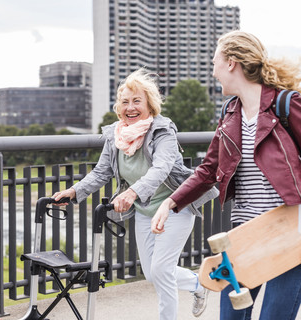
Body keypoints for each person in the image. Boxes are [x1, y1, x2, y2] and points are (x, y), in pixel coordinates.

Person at [152, 30, 301, 320]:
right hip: (244, 236)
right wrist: (169, 203)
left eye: (214, 62)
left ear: (231, 63)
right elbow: (208, 170)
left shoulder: (285, 104)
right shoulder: (230, 112)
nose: (213, 71)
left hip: (288, 234)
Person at [53, 67, 218, 320]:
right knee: (152, 273)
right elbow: (101, 172)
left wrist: (131, 192)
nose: (130, 107)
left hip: (176, 207)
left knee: (161, 271)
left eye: (137, 101)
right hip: (144, 211)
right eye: (125, 102)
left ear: (149, 104)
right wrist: (75, 191)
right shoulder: (115, 136)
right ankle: (197, 284)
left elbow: (161, 169)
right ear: (119, 107)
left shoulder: (163, 132)